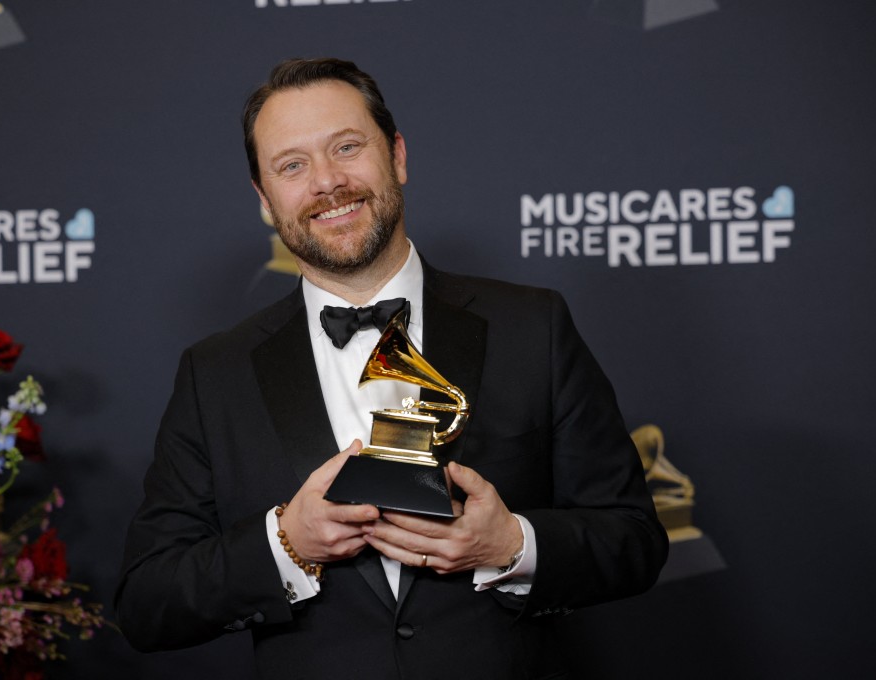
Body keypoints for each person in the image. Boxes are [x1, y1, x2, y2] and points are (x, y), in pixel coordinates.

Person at [116, 57, 667, 679]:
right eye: (292, 166)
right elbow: (147, 603)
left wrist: (512, 546)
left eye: (347, 147)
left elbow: (635, 541)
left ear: (397, 156)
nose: (326, 182)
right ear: (265, 201)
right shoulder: (214, 372)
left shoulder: (532, 327)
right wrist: (285, 543)